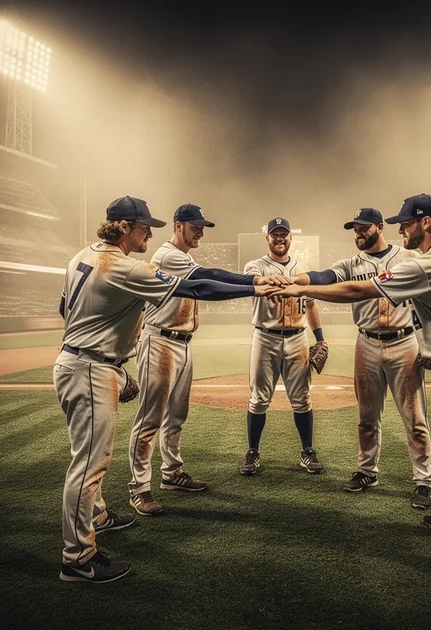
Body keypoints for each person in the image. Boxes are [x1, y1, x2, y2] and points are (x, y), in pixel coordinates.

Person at [273, 194, 431, 591]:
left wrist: (300, 291)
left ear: (428, 222)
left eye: (407, 223)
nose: (403, 229)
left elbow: (356, 292)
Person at [55, 196, 279, 583]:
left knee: (96, 456)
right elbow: (201, 287)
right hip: (91, 368)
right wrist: (254, 287)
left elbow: (64, 308)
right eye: (144, 227)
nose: (149, 233)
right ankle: (78, 558)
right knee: (89, 464)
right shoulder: (124, 267)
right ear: (124, 227)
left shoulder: (82, 255)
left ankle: (98, 516)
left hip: (83, 360)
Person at [128, 204, 287, 516]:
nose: (200, 230)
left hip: (181, 342)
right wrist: (253, 285)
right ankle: (139, 489)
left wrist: (253, 286)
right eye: (195, 225)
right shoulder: (167, 255)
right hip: (160, 341)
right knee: (150, 419)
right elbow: (206, 280)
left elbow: (205, 277)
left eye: (202, 226)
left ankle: (171, 474)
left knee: (176, 416)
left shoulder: (183, 256)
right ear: (178, 225)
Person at [289, 207, 431, 508]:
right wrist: (294, 279)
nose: (358, 232)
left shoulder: (408, 258)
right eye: (354, 228)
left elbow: (428, 301)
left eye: (363, 227)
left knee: (414, 418)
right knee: (367, 417)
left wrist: (428, 344)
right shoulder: (352, 263)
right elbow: (324, 275)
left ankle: (424, 481)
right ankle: (368, 471)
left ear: (379, 227)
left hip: (404, 342)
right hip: (366, 342)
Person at [239, 217, 328, 476]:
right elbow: (252, 280)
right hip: (265, 336)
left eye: (284, 234)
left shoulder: (303, 269)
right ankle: (253, 452)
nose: (280, 238)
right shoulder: (256, 265)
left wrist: (320, 337)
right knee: (259, 398)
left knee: (302, 398)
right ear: (267, 238)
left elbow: (311, 305)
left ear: (290, 238)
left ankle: (308, 452)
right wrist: (273, 282)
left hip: (298, 337)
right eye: (275, 234)